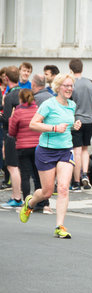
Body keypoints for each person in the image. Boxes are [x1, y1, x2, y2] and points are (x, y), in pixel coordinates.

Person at [19, 73, 82, 238]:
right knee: (46, 192)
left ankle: (59, 226)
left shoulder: (72, 105)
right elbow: (33, 124)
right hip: (46, 150)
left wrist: (74, 126)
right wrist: (53, 128)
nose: (69, 89)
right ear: (58, 87)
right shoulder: (48, 104)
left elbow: (66, 126)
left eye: (71, 86)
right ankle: (30, 203)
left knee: (62, 188)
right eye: (66, 86)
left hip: (65, 150)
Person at [8, 89, 52, 214]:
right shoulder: (38, 110)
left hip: (23, 147)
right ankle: (43, 204)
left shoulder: (18, 111)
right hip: (38, 146)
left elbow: (12, 132)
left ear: (21, 99)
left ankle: (27, 204)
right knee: (38, 175)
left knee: (26, 176)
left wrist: (12, 118)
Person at [69, 58, 92, 191]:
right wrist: (90, 110)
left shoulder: (71, 84)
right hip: (91, 120)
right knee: (85, 149)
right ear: (82, 68)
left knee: (76, 150)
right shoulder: (91, 83)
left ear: (71, 70)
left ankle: (76, 182)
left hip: (76, 120)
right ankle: (84, 175)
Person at [0, 66, 22, 207]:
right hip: (25, 134)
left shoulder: (10, 96)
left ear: (6, 78)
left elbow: (8, 119)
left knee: (12, 167)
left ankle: (16, 197)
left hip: (11, 135)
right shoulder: (24, 92)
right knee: (20, 168)